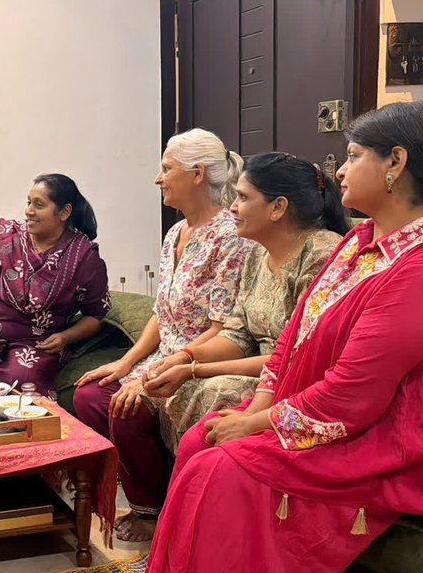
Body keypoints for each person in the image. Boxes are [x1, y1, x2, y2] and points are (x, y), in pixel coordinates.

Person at [104, 102, 423, 573]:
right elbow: (295, 338)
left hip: (396, 436)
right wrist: (256, 407)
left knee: (229, 469)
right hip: (336, 415)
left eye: (353, 156)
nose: (339, 171)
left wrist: (260, 426)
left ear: (396, 164)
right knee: (202, 437)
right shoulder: (365, 243)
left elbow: (353, 397)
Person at [73, 129, 251, 542]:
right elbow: (161, 313)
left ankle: (151, 512)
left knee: (128, 406)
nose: (158, 178)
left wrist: (154, 374)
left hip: (198, 359)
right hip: (163, 356)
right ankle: (149, 498)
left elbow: (221, 327)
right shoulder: (176, 233)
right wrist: (127, 362)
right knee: (91, 396)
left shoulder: (230, 238)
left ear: (197, 174)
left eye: (166, 168)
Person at [143, 152, 346, 457]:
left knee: (207, 397)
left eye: (242, 198)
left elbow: (299, 357)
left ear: (278, 207)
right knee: (157, 389)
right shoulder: (257, 255)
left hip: (295, 382)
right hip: (262, 372)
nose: (233, 208)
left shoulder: (322, 255)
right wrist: (183, 358)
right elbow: (237, 333)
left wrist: (195, 370)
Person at [0, 174, 110, 395]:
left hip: (33, 344)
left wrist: (65, 337)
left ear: (64, 212)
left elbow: (96, 316)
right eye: (29, 202)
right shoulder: (3, 238)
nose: (28, 211)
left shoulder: (83, 257)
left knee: (22, 380)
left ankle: (15, 429)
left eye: (39, 205)